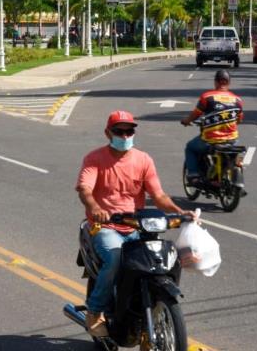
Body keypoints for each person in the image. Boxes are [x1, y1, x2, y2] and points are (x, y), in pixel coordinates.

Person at [76, 110, 195, 337]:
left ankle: (153, 302)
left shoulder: (143, 159)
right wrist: (95, 208)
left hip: (137, 226)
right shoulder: (94, 159)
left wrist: (180, 212)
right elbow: (85, 190)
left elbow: (158, 195)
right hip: (106, 226)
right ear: (108, 133)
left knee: (165, 259)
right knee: (115, 257)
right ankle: (94, 310)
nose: (125, 135)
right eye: (119, 131)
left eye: (129, 130)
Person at [180, 69, 244, 186]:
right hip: (231, 140)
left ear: (215, 82)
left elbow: (196, 114)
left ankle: (193, 175)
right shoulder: (238, 100)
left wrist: (186, 121)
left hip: (210, 140)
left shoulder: (207, 97)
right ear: (229, 82)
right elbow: (239, 120)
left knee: (190, 148)